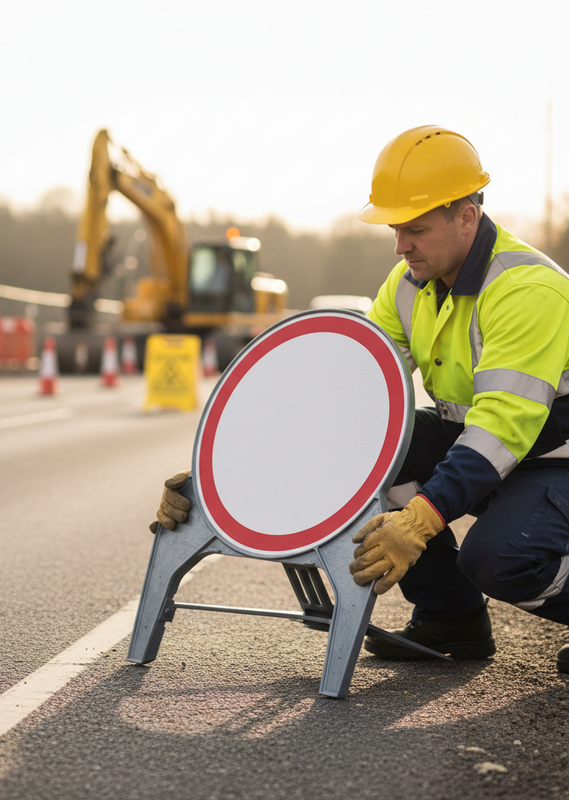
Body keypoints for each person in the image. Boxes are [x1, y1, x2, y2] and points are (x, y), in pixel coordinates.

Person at [151, 125, 569, 672]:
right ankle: (452, 620)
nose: (400, 245)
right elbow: (347, 401)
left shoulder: (525, 289)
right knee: (372, 451)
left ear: (467, 216)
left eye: (415, 229)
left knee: (495, 558)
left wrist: (420, 520)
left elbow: (502, 430)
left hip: (551, 459)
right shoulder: (407, 283)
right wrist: (218, 482)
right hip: (493, 449)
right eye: (396, 229)